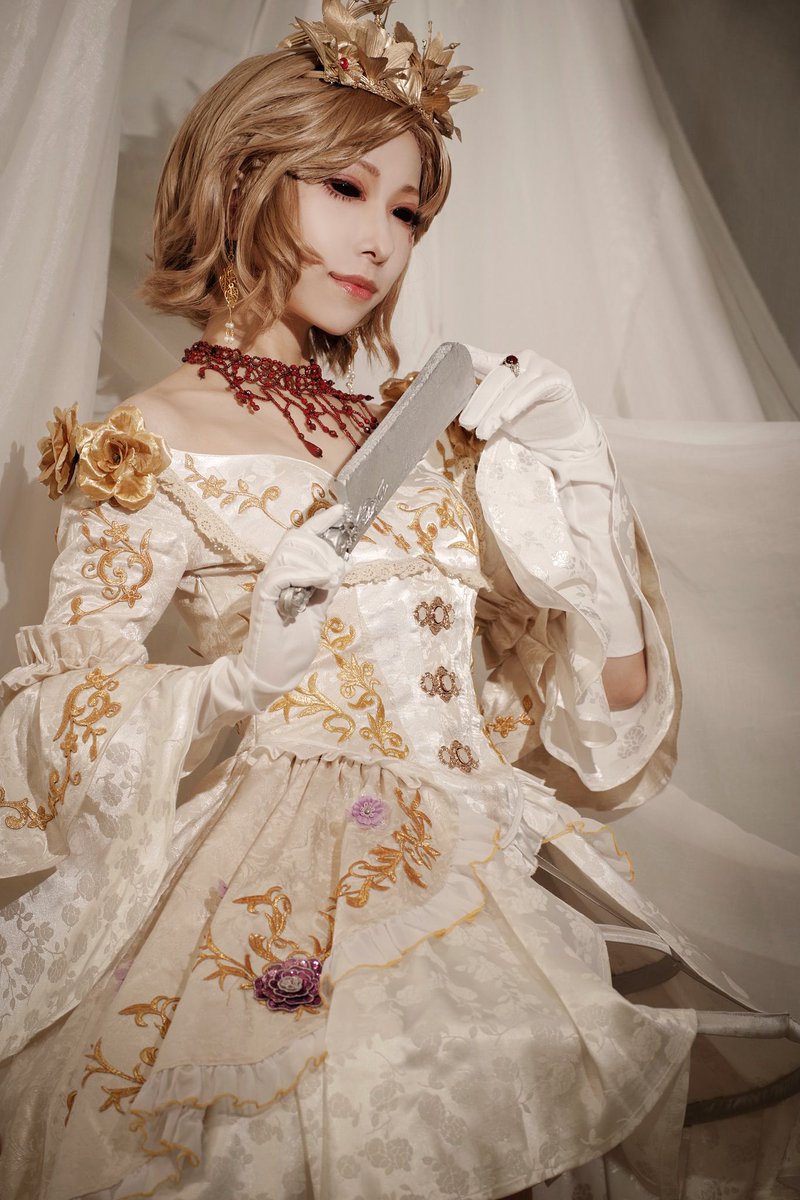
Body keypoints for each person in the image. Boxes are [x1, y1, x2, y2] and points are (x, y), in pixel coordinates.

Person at [0, 3, 797, 1197]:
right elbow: (52, 723)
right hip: (276, 879)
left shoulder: (428, 434)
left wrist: (577, 466)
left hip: (494, 859)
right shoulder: (143, 444)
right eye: (345, 188)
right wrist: (233, 684)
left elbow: (613, 698)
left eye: (407, 212)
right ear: (241, 178)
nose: (377, 240)